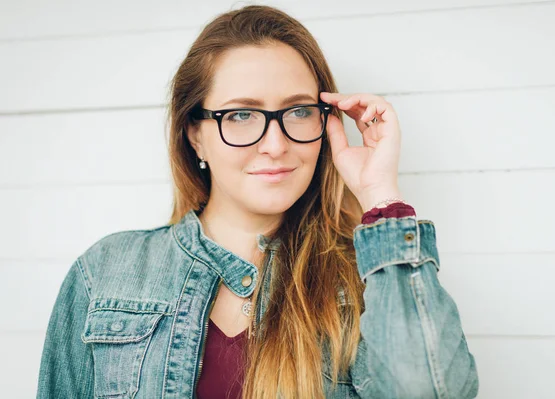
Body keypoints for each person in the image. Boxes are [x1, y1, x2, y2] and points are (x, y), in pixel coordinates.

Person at [36, 5, 479, 399]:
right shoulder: (105, 274)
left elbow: (430, 390)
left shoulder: (365, 280)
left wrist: (381, 196)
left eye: (299, 111)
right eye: (241, 115)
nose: (275, 143)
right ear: (195, 135)